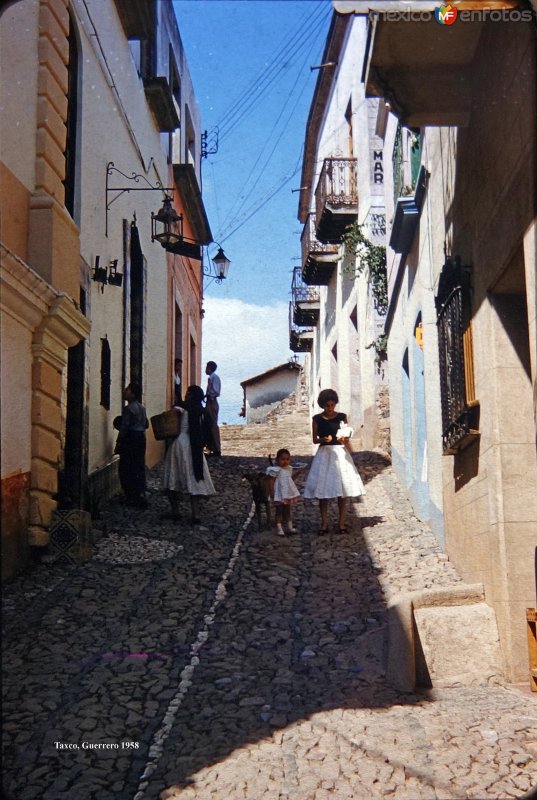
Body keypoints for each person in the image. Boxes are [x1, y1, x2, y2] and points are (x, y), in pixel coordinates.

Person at [303, 388, 365, 534]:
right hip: (324, 455)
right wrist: (322, 439)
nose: (329, 408)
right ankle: (324, 524)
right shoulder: (316, 419)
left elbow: (346, 436)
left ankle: (341, 524)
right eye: (326, 405)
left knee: (342, 490)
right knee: (323, 491)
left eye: (331, 405)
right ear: (322, 405)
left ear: (335, 403)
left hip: (340, 454)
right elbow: (314, 439)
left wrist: (343, 438)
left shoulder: (342, 417)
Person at [162, 385, 216, 524]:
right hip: (195, 447)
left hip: (180, 443)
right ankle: (195, 514)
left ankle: (175, 511)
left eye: (187, 393)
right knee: (193, 477)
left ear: (190, 395)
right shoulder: (202, 411)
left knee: (173, 477)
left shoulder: (183, 407)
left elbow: (171, 415)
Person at [114, 383, 149, 509]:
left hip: (131, 438)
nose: (124, 391)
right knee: (138, 465)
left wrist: (118, 443)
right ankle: (139, 492)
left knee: (127, 467)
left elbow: (124, 428)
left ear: (133, 394)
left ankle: (130, 496)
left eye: (127, 390)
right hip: (141, 438)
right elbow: (146, 424)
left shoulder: (128, 409)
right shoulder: (142, 408)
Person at [266, 448, 302, 537]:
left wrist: (298, 473)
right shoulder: (275, 470)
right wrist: (272, 493)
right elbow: (271, 481)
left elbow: (290, 479)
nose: (285, 462)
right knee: (279, 511)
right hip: (279, 493)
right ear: (277, 460)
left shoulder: (289, 469)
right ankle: (279, 528)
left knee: (287, 510)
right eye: (282, 459)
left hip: (287, 494)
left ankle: (290, 527)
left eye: (287, 459)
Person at [204, 360, 221, 457]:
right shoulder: (212, 377)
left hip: (212, 401)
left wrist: (208, 395)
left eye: (206, 367)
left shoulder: (214, 377)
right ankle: (211, 448)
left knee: (213, 425)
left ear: (209, 368)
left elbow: (216, 391)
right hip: (209, 401)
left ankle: (216, 449)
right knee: (209, 425)